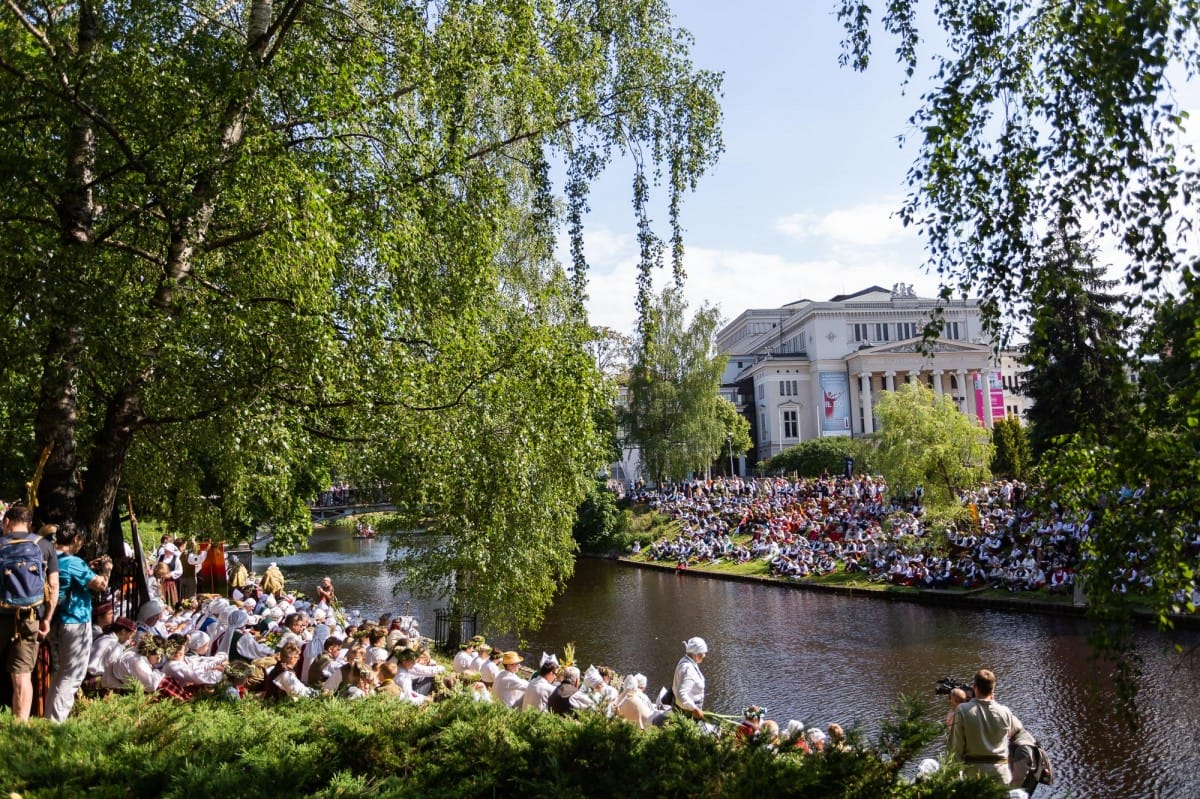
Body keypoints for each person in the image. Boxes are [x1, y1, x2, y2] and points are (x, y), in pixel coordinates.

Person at [0, 504, 60, 721]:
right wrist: (47, 619)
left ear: (7, 521)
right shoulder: (44, 546)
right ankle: (20, 729)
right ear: (29, 524)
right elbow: (54, 586)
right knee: (22, 677)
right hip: (30, 617)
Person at [47, 522, 111, 722]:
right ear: (76, 539)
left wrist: (87, 567)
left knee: (61, 674)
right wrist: (106, 570)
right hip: (75, 622)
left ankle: (48, 720)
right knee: (72, 676)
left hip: (56, 622)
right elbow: (101, 585)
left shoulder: (51, 557)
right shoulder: (74, 562)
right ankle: (55, 724)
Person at [948, 668, 1025, 785]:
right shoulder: (1005, 712)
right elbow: (1018, 730)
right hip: (1002, 775)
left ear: (974, 687)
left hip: (974, 776)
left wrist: (954, 778)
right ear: (993, 688)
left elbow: (956, 748)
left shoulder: (962, 710)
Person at [672, 636, 707, 720]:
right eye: (703, 653)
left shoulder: (685, 661)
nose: (704, 655)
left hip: (686, 710)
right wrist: (694, 709)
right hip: (688, 714)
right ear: (696, 655)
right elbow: (681, 694)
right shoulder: (688, 669)